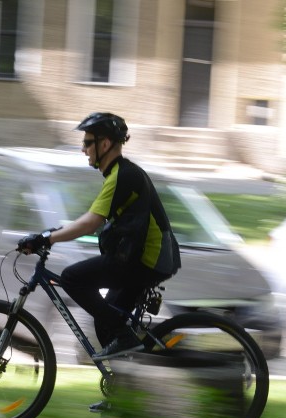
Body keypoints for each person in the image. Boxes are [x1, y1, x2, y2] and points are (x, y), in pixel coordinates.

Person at [18, 112, 180, 363]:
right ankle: (122, 392)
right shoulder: (120, 174)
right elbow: (90, 217)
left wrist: (47, 240)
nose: (83, 149)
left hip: (145, 261)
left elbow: (91, 222)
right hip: (146, 260)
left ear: (104, 144)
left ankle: (126, 337)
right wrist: (48, 234)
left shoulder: (122, 176)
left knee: (73, 279)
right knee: (107, 324)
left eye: (87, 142)